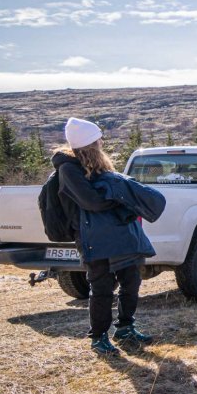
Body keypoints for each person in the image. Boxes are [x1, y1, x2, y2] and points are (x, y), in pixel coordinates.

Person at [54, 118, 157, 356]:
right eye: (98, 138)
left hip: (117, 234)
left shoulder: (100, 165)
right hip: (91, 237)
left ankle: (125, 327)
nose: (102, 141)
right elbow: (92, 202)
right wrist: (120, 200)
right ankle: (99, 337)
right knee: (101, 287)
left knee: (131, 280)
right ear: (90, 142)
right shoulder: (68, 169)